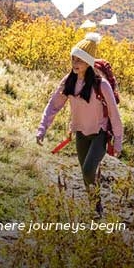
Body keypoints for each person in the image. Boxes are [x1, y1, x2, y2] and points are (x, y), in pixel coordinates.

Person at [36, 33, 123, 210]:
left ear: (89, 62)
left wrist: (118, 141)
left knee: (89, 170)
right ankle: (95, 209)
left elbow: (114, 114)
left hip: (99, 134)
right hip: (80, 133)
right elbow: (53, 105)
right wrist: (42, 128)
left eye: (80, 60)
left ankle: (97, 210)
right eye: (73, 59)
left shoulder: (101, 84)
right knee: (86, 173)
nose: (75, 64)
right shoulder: (69, 81)